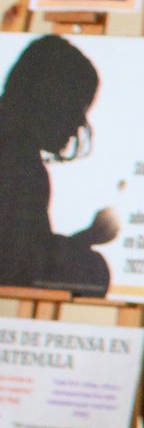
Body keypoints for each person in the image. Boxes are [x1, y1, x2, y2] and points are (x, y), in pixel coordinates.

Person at [0, 35, 117, 294]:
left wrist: (86, 237)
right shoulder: (21, 163)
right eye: (76, 109)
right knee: (93, 270)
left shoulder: (18, 154)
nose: (77, 126)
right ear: (50, 99)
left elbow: (25, 250)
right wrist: (86, 244)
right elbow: (20, 267)